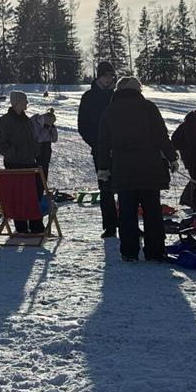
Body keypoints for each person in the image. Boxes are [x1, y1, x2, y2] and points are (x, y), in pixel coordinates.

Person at [96, 77, 178, 262]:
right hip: (150, 168)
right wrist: (172, 157)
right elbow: (161, 136)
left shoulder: (110, 111)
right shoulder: (149, 108)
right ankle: (155, 251)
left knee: (126, 212)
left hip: (123, 170)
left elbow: (103, 143)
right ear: (137, 90)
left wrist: (103, 168)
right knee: (152, 211)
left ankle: (129, 252)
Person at [0, 91, 44, 234]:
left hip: (29, 162)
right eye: (25, 100)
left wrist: (36, 151)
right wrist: (13, 152)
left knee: (34, 194)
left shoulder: (26, 119)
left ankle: (36, 225)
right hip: (14, 163)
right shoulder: (5, 121)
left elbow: (31, 139)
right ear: (17, 102)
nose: (27, 103)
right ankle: (21, 226)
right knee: (19, 196)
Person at [77, 61, 118, 238]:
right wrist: (96, 144)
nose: (109, 79)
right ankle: (109, 226)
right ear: (99, 77)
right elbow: (83, 126)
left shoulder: (117, 96)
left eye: (112, 76)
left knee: (125, 188)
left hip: (121, 149)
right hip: (100, 150)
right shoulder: (88, 97)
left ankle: (127, 222)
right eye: (106, 75)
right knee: (106, 188)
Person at [171, 103, 196, 208]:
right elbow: (175, 142)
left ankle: (194, 202)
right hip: (195, 158)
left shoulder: (185, 125)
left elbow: (174, 141)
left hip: (190, 158)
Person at [31, 107, 58, 182]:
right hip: (38, 148)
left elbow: (54, 139)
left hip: (46, 148)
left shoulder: (49, 124)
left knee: (45, 169)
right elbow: (39, 139)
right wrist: (46, 127)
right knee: (38, 169)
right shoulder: (35, 123)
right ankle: (37, 187)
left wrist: (52, 127)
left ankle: (42, 186)